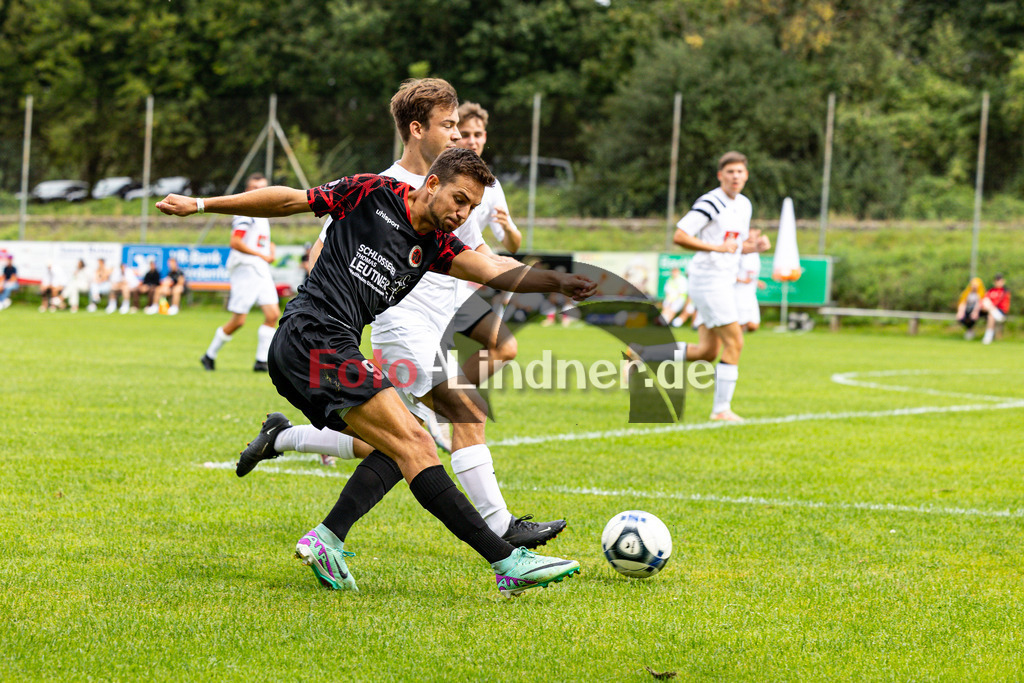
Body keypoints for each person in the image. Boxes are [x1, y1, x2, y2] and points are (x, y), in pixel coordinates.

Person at [157, 146, 594, 597]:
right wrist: (201, 205)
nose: (463, 213)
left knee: (398, 442)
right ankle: (506, 562)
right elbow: (290, 200)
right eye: (459, 200)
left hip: (327, 346)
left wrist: (557, 281)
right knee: (417, 442)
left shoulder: (435, 246)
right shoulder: (373, 191)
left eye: (472, 208)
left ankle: (325, 534)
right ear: (433, 184)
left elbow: (492, 269)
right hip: (313, 335)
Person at [267, 82, 566, 551]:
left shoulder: (458, 185)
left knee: (396, 440)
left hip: (445, 316)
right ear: (416, 129)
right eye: (449, 126)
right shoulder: (379, 186)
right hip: (401, 323)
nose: (458, 136)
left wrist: (544, 279)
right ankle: (501, 532)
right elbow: (322, 250)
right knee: (454, 418)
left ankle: (288, 448)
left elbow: (482, 257)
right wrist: (337, 320)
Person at [626, 151, 770, 422]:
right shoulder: (711, 201)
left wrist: (754, 247)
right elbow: (681, 235)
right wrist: (716, 247)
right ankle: (721, 411)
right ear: (720, 176)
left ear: (746, 175)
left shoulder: (744, 205)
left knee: (707, 352)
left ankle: (643, 352)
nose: (735, 176)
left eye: (740, 172)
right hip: (710, 281)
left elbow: (733, 245)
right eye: (730, 172)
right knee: (735, 342)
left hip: (723, 281)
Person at [200, 173, 279, 371]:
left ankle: (261, 361)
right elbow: (235, 242)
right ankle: (209, 355)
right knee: (239, 320)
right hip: (246, 266)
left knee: (272, 314)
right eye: (255, 188)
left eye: (263, 188)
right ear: (247, 191)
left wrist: (270, 248)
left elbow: (259, 240)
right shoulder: (246, 212)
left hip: (259, 266)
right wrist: (261, 255)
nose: (259, 192)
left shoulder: (263, 212)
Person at [735, 228, 767, 332]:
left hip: (751, 292)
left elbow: (751, 274)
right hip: (739, 291)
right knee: (740, 323)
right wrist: (742, 280)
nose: (753, 237)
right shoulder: (739, 251)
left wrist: (757, 282)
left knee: (753, 326)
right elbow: (729, 272)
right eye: (750, 235)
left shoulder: (755, 253)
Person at [979, 274, 1010, 345]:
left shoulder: (1004, 292)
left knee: (991, 314)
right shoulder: (990, 291)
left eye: (1000, 281)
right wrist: (983, 307)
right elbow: (983, 299)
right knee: (990, 315)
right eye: (997, 281)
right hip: (989, 311)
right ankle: (988, 337)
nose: (998, 283)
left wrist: (988, 307)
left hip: (1000, 313)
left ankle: (988, 337)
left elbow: (998, 303)